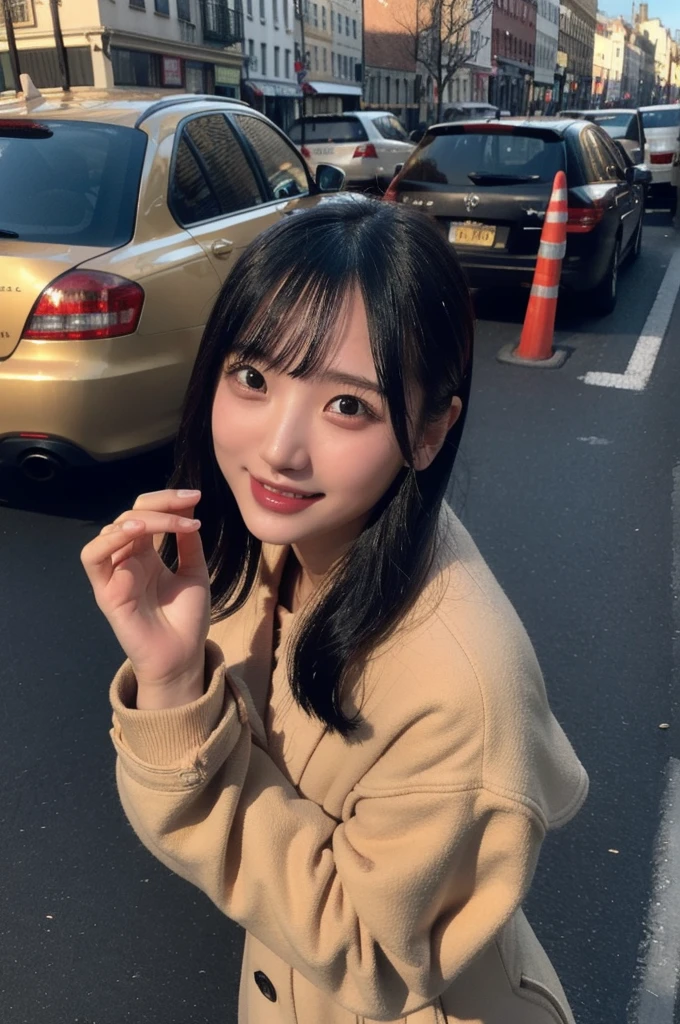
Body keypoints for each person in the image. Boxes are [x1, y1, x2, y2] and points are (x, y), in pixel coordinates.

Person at [81, 199, 588, 1024]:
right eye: (252, 377)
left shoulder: (462, 686)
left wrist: (178, 710)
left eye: (348, 405)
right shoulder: (294, 533)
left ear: (428, 434)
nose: (280, 447)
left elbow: (370, 951)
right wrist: (171, 673)